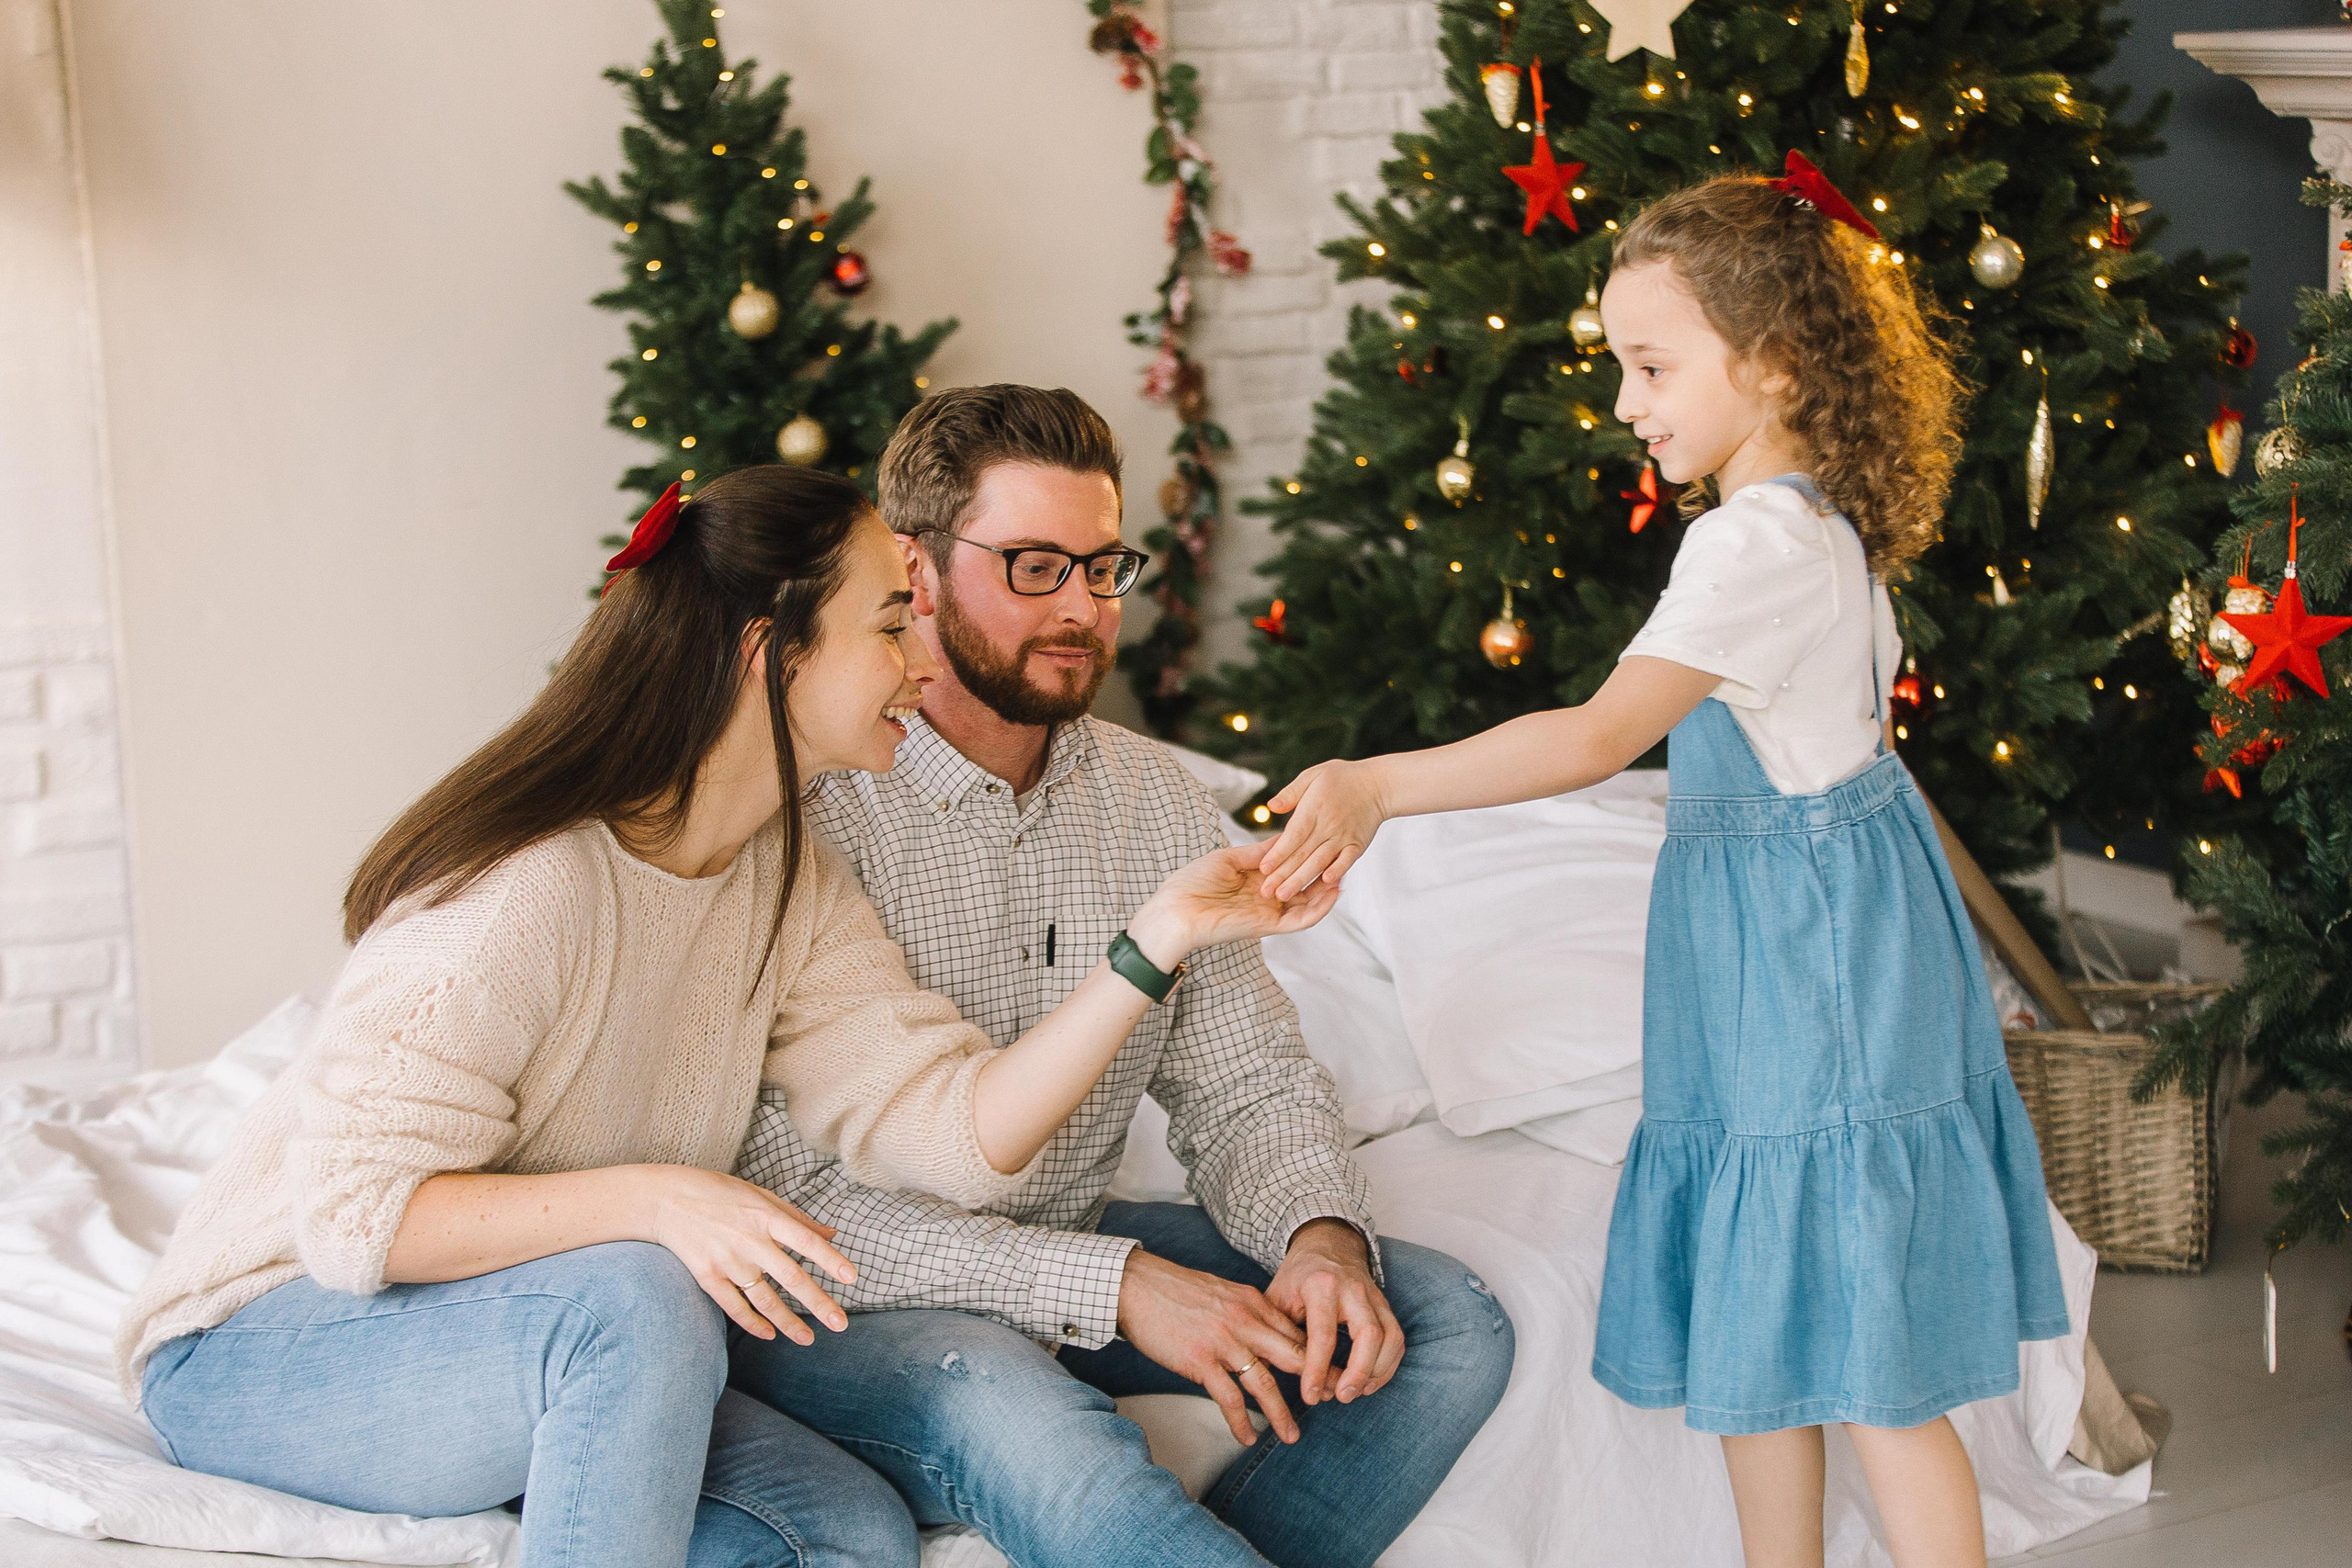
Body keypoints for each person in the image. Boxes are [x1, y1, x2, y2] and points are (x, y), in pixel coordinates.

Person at [113, 466, 1336, 1568]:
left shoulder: (783, 875)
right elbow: (351, 1218)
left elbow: (957, 1132)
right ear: (773, 651)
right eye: (890, 621)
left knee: (843, 1532)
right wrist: (657, 1197)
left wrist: (1154, 943)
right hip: (269, 1342)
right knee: (641, 1294)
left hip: (527, 1329)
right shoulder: (532, 888)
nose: (924, 660)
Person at [1257, 157, 2071, 1568]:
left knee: (1863, 1357)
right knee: (1770, 1329)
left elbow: (1595, 737)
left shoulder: (1756, 545)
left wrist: (1379, 785)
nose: (1627, 402)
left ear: (1769, 364)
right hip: (1794, 953)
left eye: (1650, 365)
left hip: (1809, 974)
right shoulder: (1807, 521)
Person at [725, 384, 1516, 1568]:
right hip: (844, 1300)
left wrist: (1318, 1241)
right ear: (916, 568)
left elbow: (1246, 1084)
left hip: (1067, 1235)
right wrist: (1118, 1285)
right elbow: (789, 1199)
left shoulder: (1151, 799)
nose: (1083, 610)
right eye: (1036, 566)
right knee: (1035, 1423)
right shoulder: (812, 796)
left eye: (1104, 569)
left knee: (1443, 1326)